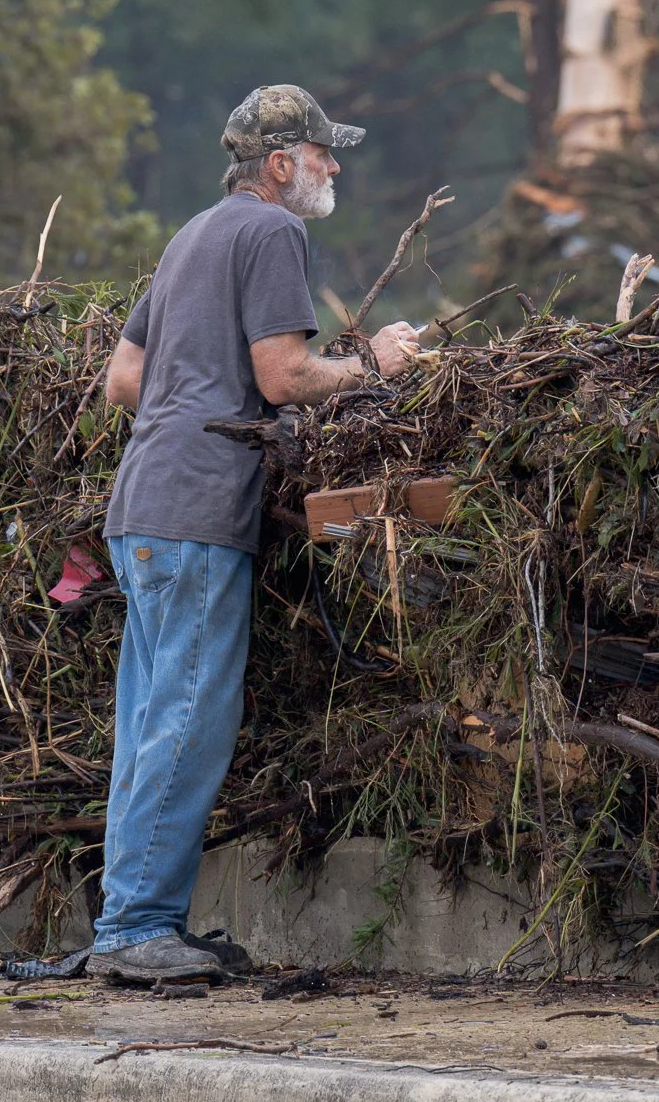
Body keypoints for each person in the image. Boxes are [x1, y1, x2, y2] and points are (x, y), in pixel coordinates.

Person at [92, 84, 420, 984]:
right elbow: (281, 377)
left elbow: (124, 380)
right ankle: (135, 930)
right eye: (322, 154)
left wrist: (197, 379)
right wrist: (374, 366)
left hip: (142, 507)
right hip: (199, 513)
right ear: (281, 164)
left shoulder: (190, 235)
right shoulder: (275, 231)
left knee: (150, 717)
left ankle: (127, 917)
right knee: (191, 718)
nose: (334, 167)